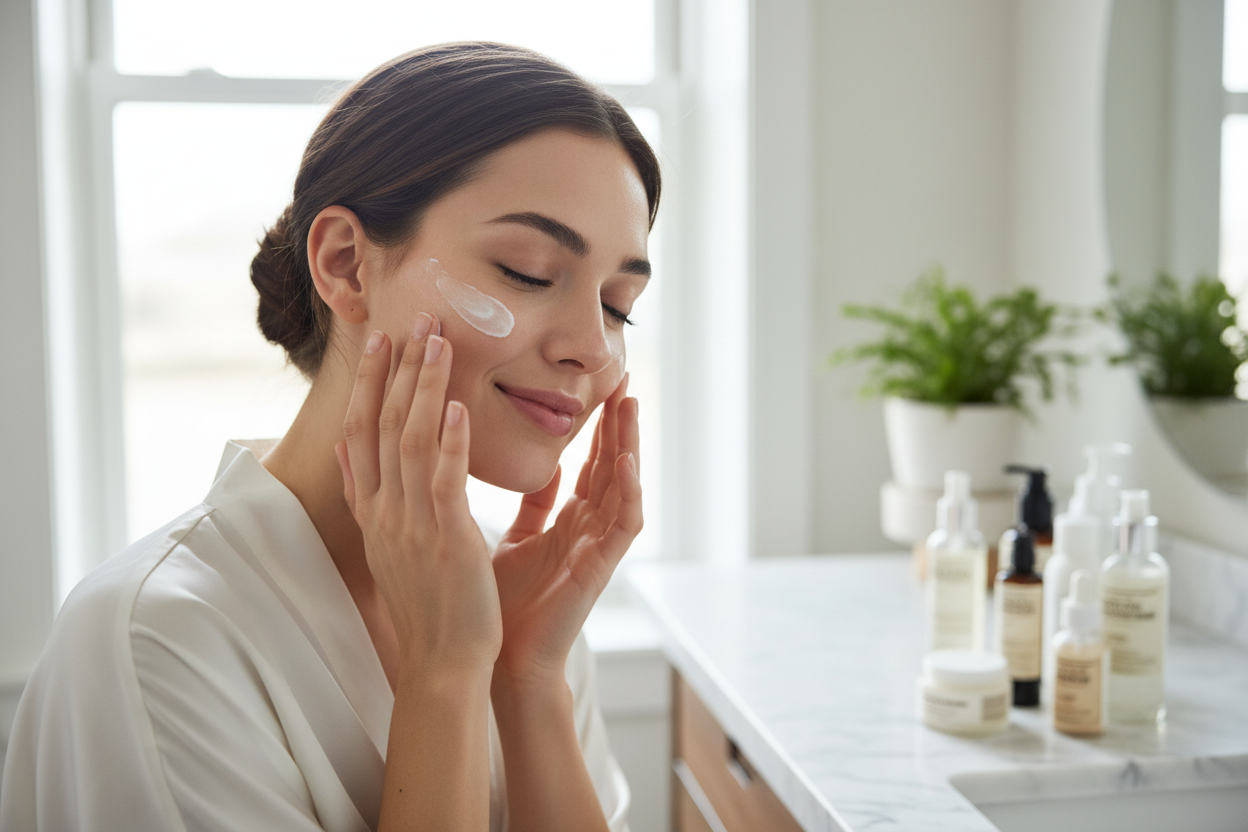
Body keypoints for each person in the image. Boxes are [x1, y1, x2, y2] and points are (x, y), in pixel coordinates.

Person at [1, 42, 659, 832]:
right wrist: (444, 678)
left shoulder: (517, 607)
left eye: (620, 305)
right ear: (346, 264)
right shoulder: (152, 642)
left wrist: (528, 680)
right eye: (527, 270)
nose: (594, 346)